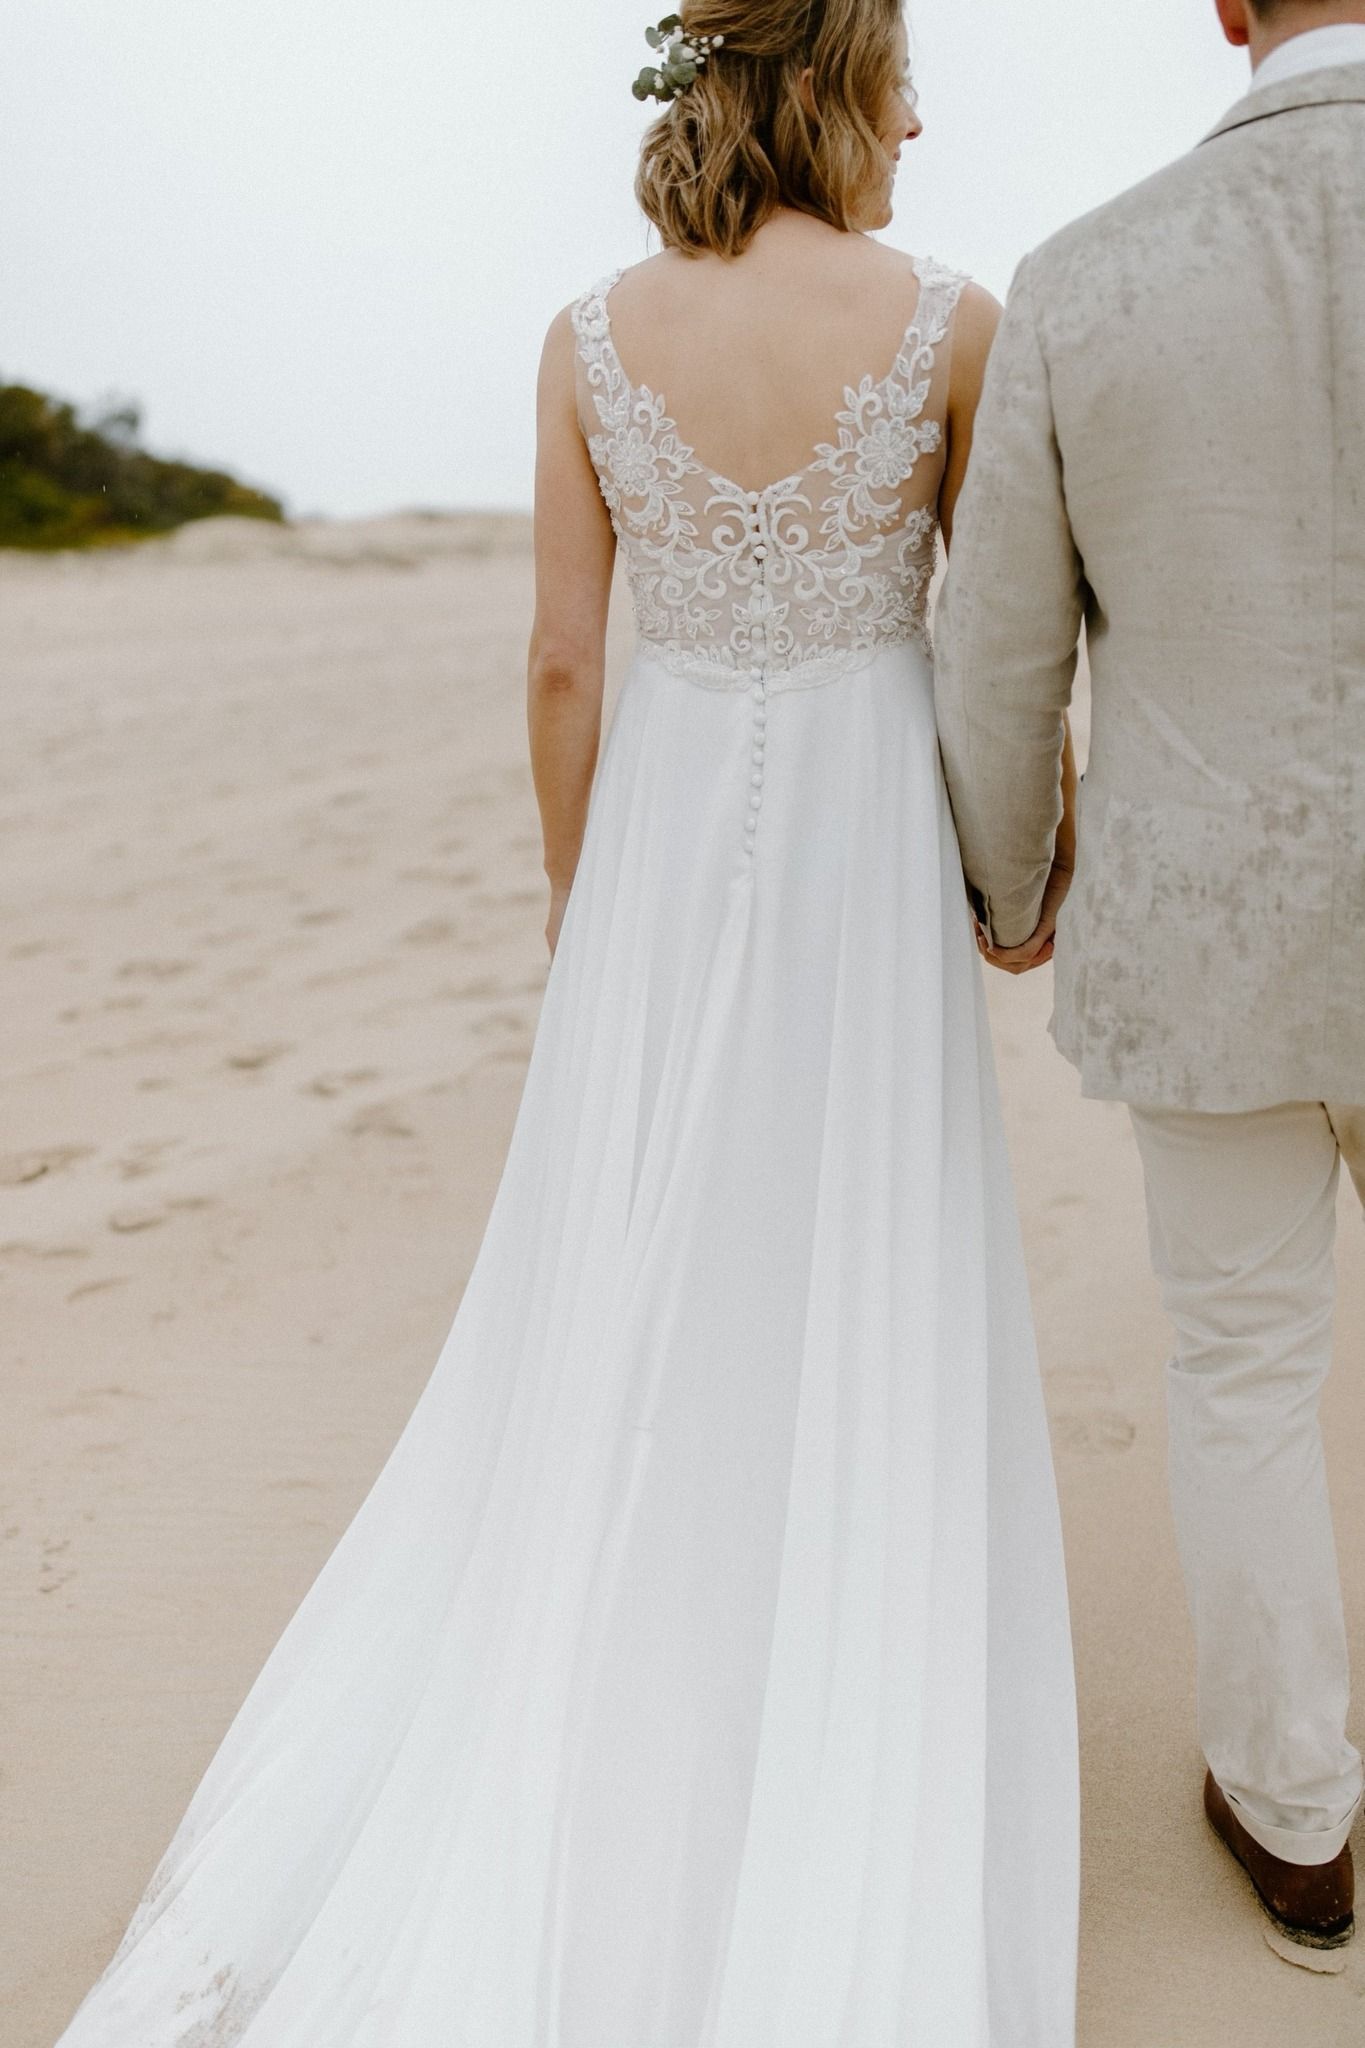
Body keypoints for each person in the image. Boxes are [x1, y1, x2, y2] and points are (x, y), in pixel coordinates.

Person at [53, 5, 1079, 2043]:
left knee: (635, 1264)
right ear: (835, 84)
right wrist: (1013, 873)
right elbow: (989, 648)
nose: (921, 113)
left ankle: (635, 1622)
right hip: (865, 855)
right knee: (844, 1236)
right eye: (900, 71)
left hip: (656, 847)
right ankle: (823, 1644)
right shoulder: (951, 324)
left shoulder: (587, 338)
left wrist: (572, 889)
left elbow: (556, 658)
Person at [936, 0, 1365, 1965]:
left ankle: (1293, 1813)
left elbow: (998, 647)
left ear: (1225, 7)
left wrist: (1007, 873)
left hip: (1211, 936)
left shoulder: (1085, 273)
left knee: (1242, 1368)